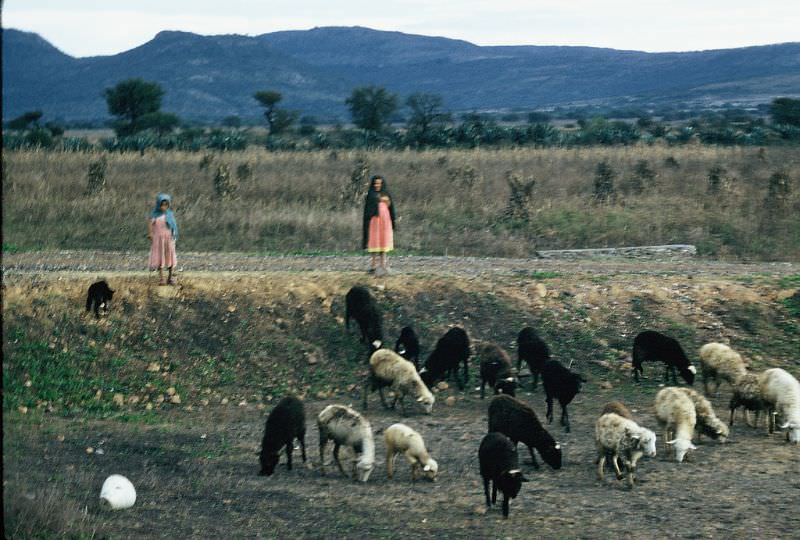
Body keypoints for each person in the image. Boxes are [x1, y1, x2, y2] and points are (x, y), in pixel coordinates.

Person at [362, 175, 396, 275]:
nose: (378, 185)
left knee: (383, 241)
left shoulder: (386, 193)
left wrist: (386, 200)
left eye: (379, 183)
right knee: (374, 241)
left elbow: (390, 206)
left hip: (385, 222)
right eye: (376, 183)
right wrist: (380, 199)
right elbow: (369, 208)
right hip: (374, 222)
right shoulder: (371, 194)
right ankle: (373, 266)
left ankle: (383, 265)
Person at [148, 192, 179, 285]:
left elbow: (174, 225)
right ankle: (161, 278)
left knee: (170, 257)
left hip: (169, 239)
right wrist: (150, 233)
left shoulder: (169, 214)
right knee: (160, 257)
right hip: (158, 240)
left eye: (166, 205)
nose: (164, 207)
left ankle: (170, 277)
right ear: (158, 204)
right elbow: (150, 223)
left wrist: (175, 234)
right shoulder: (154, 214)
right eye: (162, 205)